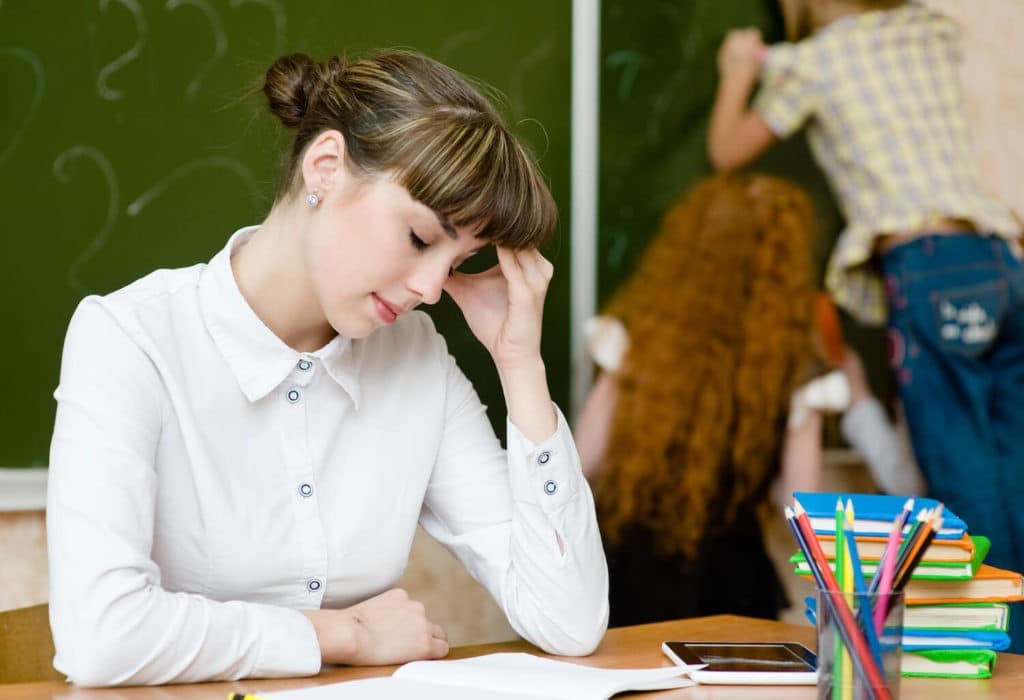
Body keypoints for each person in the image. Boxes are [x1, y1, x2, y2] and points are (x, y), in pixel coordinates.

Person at [46, 49, 609, 687]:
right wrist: (343, 633)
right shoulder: (130, 339)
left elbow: (569, 620)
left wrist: (519, 365)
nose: (430, 287)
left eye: (456, 262)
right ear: (326, 167)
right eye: (422, 239)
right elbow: (101, 637)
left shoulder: (416, 358)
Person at [708, 0, 1024, 650]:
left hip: (928, 267)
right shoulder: (929, 31)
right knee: (1014, 465)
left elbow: (725, 149)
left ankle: (1007, 661)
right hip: (999, 259)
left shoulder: (812, 62)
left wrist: (740, 69)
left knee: (963, 481)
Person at [574, 173, 820, 626]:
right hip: (734, 589)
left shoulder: (637, 343)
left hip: (626, 577)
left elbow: (583, 459)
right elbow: (803, 509)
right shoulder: (790, 369)